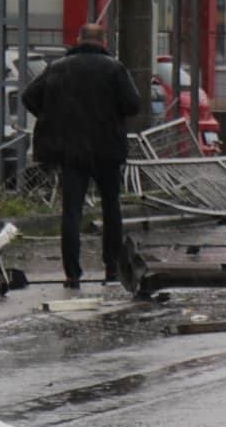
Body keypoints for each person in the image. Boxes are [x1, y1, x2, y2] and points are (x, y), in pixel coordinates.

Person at [22, 23, 142, 289]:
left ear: (78, 39)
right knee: (111, 207)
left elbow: (29, 96)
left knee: (71, 211)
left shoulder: (58, 67)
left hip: (70, 150)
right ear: (103, 41)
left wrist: (51, 115)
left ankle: (72, 274)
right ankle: (112, 269)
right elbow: (133, 104)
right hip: (107, 149)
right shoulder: (114, 68)